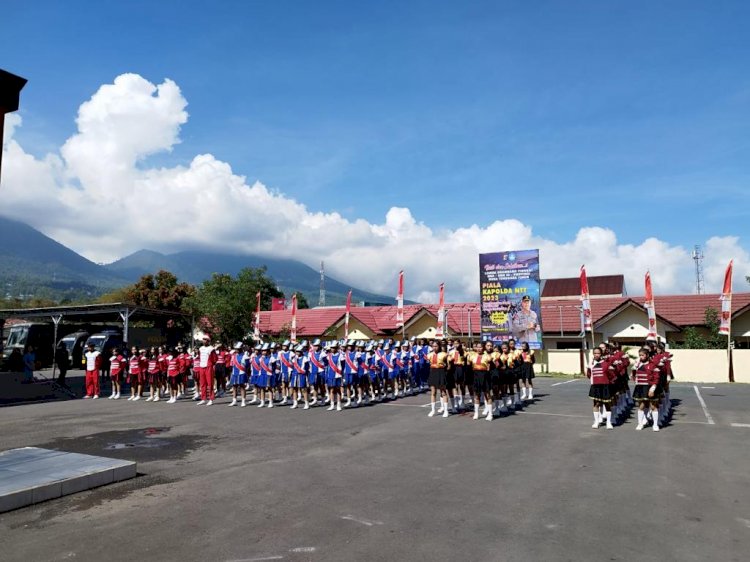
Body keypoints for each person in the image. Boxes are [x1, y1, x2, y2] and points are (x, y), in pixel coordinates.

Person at [632, 347, 663, 431]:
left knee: (653, 406)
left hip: (649, 387)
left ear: (647, 355)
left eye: (642, 355)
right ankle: (640, 423)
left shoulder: (652, 365)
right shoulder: (637, 364)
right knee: (641, 406)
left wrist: (652, 389)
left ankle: (655, 424)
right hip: (640, 387)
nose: (641, 357)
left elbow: (656, 378)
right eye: (640, 355)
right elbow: (634, 374)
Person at [587, 347, 615, 429]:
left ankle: (609, 422)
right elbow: (589, 375)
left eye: (598, 353)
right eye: (595, 353)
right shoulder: (591, 364)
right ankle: (596, 422)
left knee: (607, 404)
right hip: (595, 386)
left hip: (605, 386)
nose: (596, 355)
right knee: (596, 404)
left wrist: (608, 383)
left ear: (601, 354)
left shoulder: (606, 364)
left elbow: (611, 376)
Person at [427, 340, 450, 418]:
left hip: (441, 372)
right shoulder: (429, 355)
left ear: (439, 346)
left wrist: (445, 366)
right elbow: (429, 363)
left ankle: (446, 410)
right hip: (433, 372)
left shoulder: (444, 354)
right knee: (433, 392)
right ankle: (433, 410)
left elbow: (449, 365)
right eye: (433, 346)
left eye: (436, 346)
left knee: (443, 392)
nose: (434, 347)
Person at [197, 335, 218, 406]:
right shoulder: (200, 348)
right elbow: (200, 357)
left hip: (208, 367)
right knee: (202, 384)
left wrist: (211, 364)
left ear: (208, 341)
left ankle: (211, 399)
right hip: (201, 366)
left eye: (205, 339)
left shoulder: (211, 349)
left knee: (210, 383)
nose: (204, 341)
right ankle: (203, 398)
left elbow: (215, 359)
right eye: (203, 339)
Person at [229, 342, 249, 407]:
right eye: (236, 349)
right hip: (235, 373)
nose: (236, 350)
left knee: (242, 387)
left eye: (238, 348)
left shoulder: (245, 356)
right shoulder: (233, 356)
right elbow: (232, 365)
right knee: (234, 387)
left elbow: (247, 365)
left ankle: (243, 401)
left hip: (241, 373)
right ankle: (234, 400)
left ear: (241, 348)